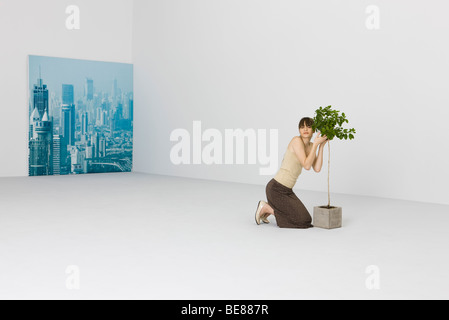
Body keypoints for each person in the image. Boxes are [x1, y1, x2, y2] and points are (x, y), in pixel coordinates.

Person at [255, 117, 328, 228]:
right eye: (302, 127)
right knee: (300, 221)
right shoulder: (296, 141)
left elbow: (317, 168)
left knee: (306, 220)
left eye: (309, 126)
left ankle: (269, 209)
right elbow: (307, 165)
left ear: (314, 130)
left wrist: (321, 146)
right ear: (299, 130)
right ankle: (267, 208)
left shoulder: (311, 146)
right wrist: (316, 145)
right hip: (276, 188)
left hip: (288, 191)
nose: (305, 129)